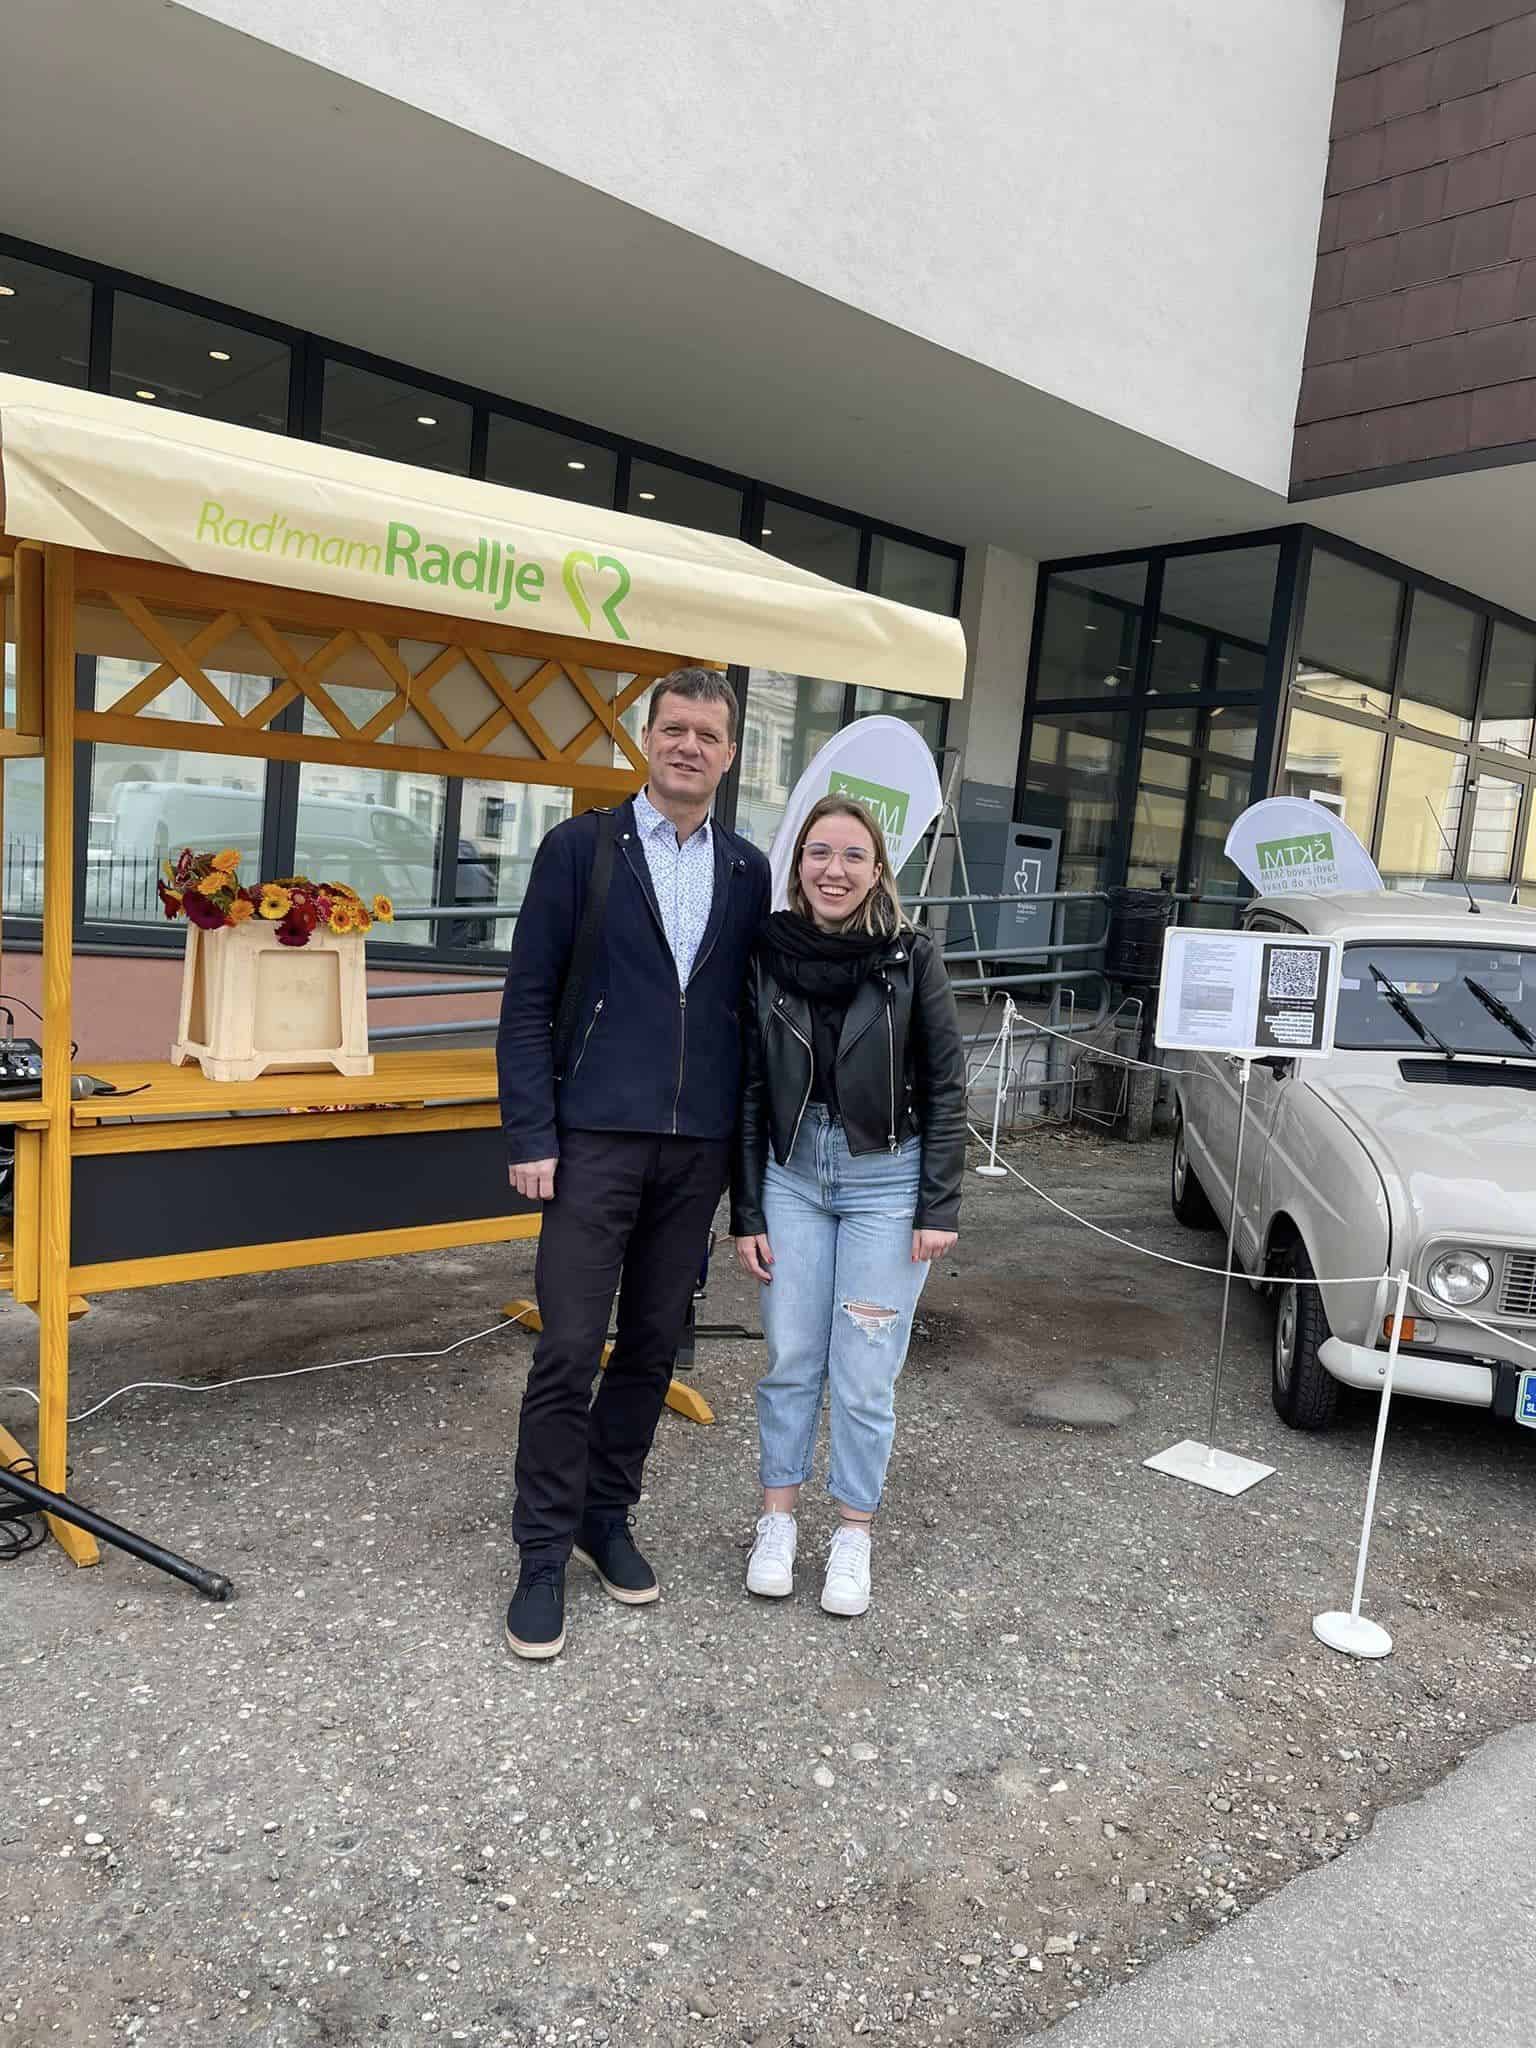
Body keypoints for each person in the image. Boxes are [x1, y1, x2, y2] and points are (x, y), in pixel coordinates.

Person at [497, 667, 770, 1659]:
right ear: (646, 738)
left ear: (729, 755)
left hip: (695, 1149)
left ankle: (603, 1515)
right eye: (674, 728)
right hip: (591, 1141)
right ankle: (539, 1552)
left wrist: (746, 1176)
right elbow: (528, 998)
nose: (690, 745)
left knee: (654, 1346)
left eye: (708, 734)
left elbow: (748, 1021)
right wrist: (532, 1133)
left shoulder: (748, 869)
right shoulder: (581, 849)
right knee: (570, 1346)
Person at [731, 794, 965, 1617]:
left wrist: (938, 1204)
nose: (835, 870)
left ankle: (853, 1534)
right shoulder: (766, 953)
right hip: (792, 1175)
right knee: (791, 1358)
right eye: (820, 853)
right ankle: (777, 1522)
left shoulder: (911, 957)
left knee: (865, 1374)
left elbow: (946, 1085)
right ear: (798, 864)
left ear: (877, 870)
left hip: (887, 1183)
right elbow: (750, 1087)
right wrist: (747, 1210)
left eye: (853, 856)